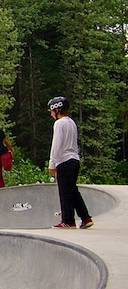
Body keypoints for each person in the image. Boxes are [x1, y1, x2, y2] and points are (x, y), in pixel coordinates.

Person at [47, 97, 93, 229]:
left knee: (65, 192)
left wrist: (52, 163)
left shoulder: (59, 123)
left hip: (64, 161)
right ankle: (85, 218)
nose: (51, 114)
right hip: (74, 159)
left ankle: (68, 221)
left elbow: (56, 144)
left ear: (57, 110)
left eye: (52, 111)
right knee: (72, 190)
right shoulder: (72, 122)